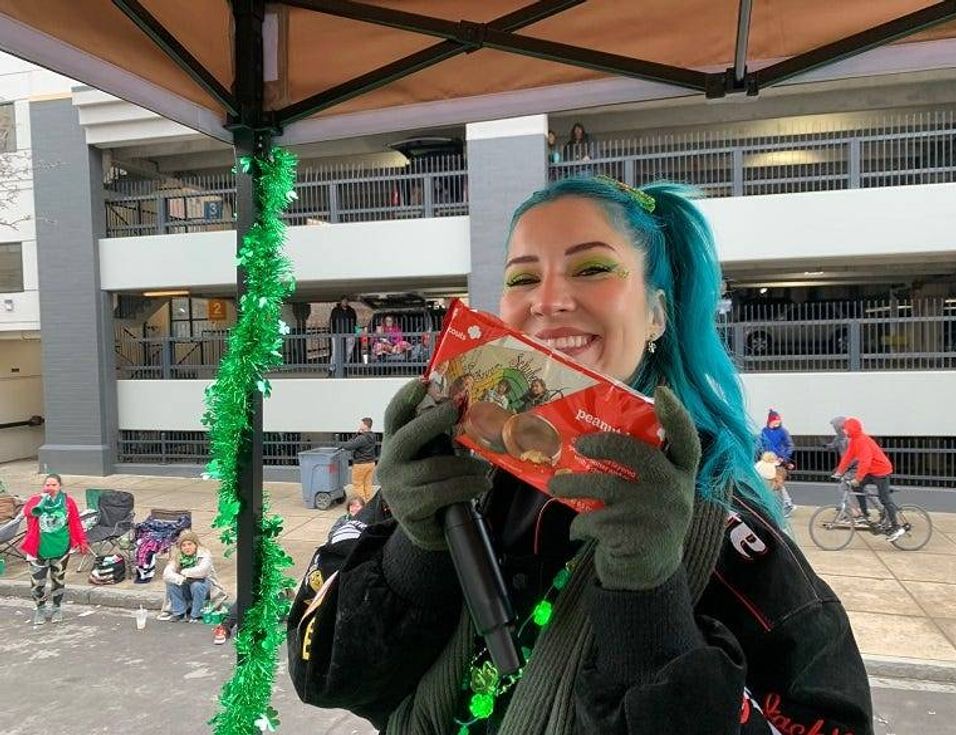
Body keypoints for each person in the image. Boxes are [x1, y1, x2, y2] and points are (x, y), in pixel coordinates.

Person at [288, 177, 872, 734]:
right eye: (521, 278)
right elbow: (322, 675)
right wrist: (414, 547)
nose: (547, 301)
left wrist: (649, 602)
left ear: (656, 315)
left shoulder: (724, 526)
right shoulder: (451, 470)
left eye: (592, 268)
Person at [20, 473, 88, 625]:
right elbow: (27, 512)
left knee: (58, 580)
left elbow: (75, 521)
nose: (50, 487)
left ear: (60, 486)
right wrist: (42, 502)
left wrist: (81, 541)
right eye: (47, 485)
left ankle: (57, 607)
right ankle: (40, 608)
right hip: (38, 549)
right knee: (37, 583)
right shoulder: (35, 500)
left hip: (61, 548)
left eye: (53, 485)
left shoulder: (68, 502)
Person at [831, 417, 902, 541]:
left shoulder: (862, 440)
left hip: (881, 471)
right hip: (871, 471)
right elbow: (847, 457)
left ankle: (896, 527)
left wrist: (858, 478)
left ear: (852, 429)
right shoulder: (854, 440)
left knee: (885, 499)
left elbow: (865, 461)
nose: (844, 431)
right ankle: (864, 514)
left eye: (846, 429)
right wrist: (839, 472)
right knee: (856, 486)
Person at [160, 530, 224, 622]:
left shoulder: (204, 554)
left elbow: (203, 570)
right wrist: (179, 578)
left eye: (190, 544)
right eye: (184, 545)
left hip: (204, 586)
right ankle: (179, 612)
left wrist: (185, 572)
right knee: (171, 582)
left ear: (195, 544)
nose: (187, 548)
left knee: (196, 585)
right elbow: (167, 573)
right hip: (185, 583)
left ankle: (196, 614)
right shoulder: (178, 556)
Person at [759, 409, 795, 514]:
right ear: (770, 421)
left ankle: (787, 503)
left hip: (779, 461)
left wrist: (784, 457)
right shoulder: (764, 431)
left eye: (778, 421)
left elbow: (790, 445)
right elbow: (760, 444)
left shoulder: (783, 431)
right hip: (768, 459)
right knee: (770, 482)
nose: (777, 423)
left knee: (776, 481)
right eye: (776, 421)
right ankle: (783, 503)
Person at [338, 418, 377, 503]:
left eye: (361, 424)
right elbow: (355, 441)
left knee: (358, 484)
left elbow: (350, 445)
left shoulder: (362, 438)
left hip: (361, 464)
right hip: (371, 463)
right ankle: (369, 502)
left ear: (365, 425)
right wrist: (358, 434)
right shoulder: (373, 436)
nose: (360, 425)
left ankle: (361, 504)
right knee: (367, 484)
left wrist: (342, 445)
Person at [330, 296, 358, 363]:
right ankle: (332, 368)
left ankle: (345, 366)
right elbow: (332, 322)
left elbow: (354, 322)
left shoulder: (351, 311)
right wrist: (332, 333)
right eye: (343, 301)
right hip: (338, 334)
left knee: (348, 352)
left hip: (349, 333)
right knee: (335, 353)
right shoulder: (335, 311)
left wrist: (354, 332)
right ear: (341, 301)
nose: (345, 302)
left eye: (346, 301)